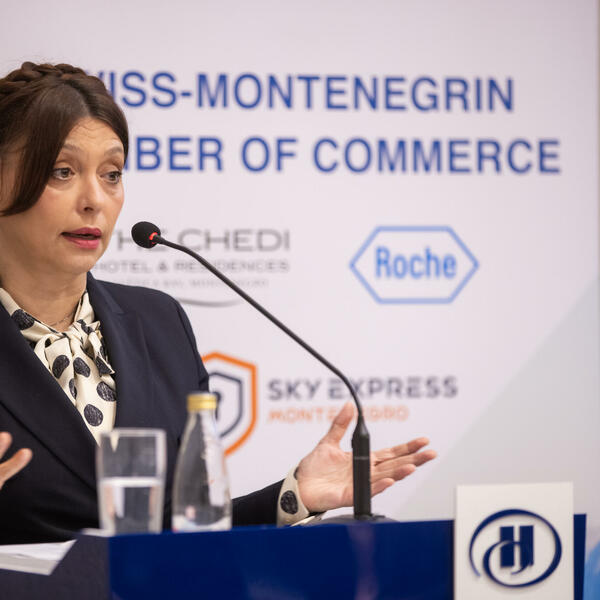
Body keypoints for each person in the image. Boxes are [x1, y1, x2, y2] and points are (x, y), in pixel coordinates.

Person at [0, 62, 436, 544]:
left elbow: (182, 529)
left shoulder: (158, 321)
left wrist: (295, 495)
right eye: (62, 171)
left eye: (112, 174)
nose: (94, 200)